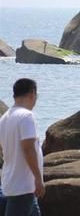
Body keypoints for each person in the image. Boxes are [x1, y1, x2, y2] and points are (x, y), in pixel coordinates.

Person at [0, 78, 45, 216]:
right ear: (32, 93)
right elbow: (28, 149)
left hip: (11, 182)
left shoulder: (4, 118)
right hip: (23, 186)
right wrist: (39, 179)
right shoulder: (26, 116)